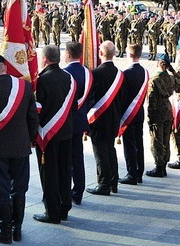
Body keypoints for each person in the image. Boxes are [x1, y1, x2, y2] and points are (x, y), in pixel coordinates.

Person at [0, 55, 39, 244]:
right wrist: (31, 139)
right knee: (19, 188)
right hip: (20, 146)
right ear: (4, 68)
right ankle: (17, 229)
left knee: (0, 189)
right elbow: (33, 116)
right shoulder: (25, 86)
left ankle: (5, 231)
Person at [33, 45, 77, 224]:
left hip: (48, 135)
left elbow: (37, 110)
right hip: (66, 131)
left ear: (44, 59)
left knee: (49, 173)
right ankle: (64, 207)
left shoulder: (42, 80)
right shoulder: (69, 77)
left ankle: (52, 211)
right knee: (65, 170)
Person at [86, 40, 124, 195]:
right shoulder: (120, 74)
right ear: (114, 54)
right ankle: (113, 182)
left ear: (101, 53)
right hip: (114, 118)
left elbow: (90, 99)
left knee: (101, 153)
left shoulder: (95, 74)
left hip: (99, 119)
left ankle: (104, 184)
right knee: (110, 150)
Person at [63, 42, 91, 205]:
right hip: (80, 120)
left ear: (67, 54)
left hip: (65, 121)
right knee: (77, 158)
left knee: (66, 159)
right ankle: (78, 191)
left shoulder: (65, 73)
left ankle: (66, 192)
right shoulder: (88, 73)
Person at [119, 43, 150, 185]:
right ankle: (139, 172)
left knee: (129, 144)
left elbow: (122, 96)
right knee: (139, 142)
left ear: (130, 55)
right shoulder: (145, 71)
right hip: (139, 112)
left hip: (128, 113)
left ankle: (131, 173)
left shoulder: (126, 74)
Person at [145, 53, 176, 178]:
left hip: (157, 112)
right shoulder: (171, 78)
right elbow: (178, 81)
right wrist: (172, 70)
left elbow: (151, 99)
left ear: (158, 63)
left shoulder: (154, 79)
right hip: (168, 111)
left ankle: (159, 167)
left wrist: (149, 117)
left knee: (157, 140)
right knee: (166, 139)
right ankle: (164, 165)